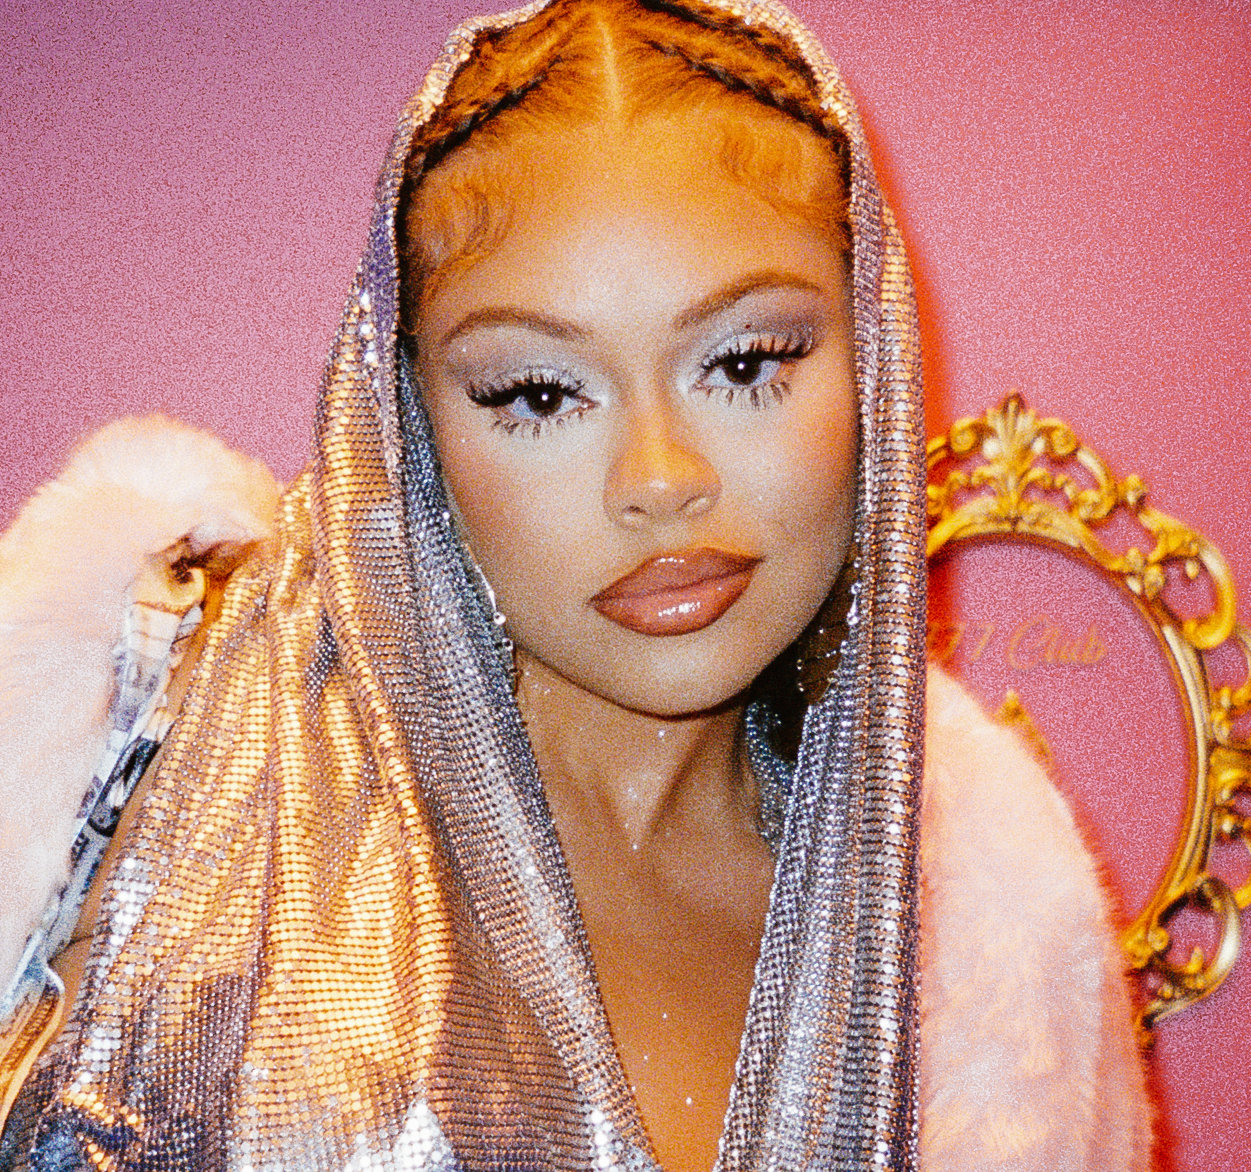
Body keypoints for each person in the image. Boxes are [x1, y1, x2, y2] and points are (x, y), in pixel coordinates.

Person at [0, 1, 1150, 1168]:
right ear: (406, 417)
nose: (660, 478)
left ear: (874, 354)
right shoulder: (164, 756)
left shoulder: (991, 928)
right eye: (540, 394)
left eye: (746, 362)